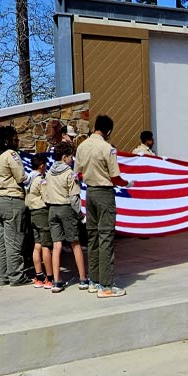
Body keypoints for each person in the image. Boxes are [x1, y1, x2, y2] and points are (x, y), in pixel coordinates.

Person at [75, 115, 133, 298]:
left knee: (92, 237)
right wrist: (127, 183)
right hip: (104, 194)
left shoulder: (82, 146)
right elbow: (115, 177)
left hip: (89, 194)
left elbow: (79, 173)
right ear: (108, 131)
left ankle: (94, 280)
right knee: (106, 237)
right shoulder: (107, 148)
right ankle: (106, 285)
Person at [0, 126, 30, 287]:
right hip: (11, 199)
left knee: (1, 241)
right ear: (8, 140)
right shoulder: (10, 155)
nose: (18, 142)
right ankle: (16, 276)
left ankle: (2, 276)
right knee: (14, 241)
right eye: (15, 139)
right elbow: (20, 176)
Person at [46, 142, 88, 293]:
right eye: (71, 156)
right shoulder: (69, 174)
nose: (72, 159)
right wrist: (80, 215)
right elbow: (74, 198)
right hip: (66, 209)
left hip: (52, 209)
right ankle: (83, 279)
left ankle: (57, 281)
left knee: (57, 245)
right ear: (64, 158)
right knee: (75, 243)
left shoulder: (49, 173)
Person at [25, 155, 54, 289]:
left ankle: (39, 276)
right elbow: (46, 196)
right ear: (42, 165)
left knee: (37, 244)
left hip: (32, 212)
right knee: (46, 245)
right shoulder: (40, 179)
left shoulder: (28, 178)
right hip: (41, 212)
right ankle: (50, 277)